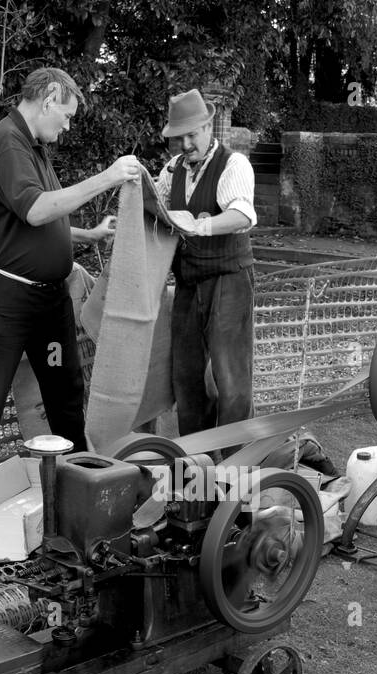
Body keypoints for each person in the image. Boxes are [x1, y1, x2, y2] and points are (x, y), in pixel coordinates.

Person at [0, 67, 141, 498]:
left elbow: (36, 222)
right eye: (65, 115)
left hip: (47, 302)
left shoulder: (34, 146)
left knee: (65, 388)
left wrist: (87, 235)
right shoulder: (7, 143)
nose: (67, 127)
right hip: (4, 299)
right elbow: (35, 210)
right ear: (48, 98)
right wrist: (107, 177)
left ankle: (78, 481)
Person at [154, 88, 257, 436]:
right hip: (187, 282)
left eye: (192, 134)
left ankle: (234, 464)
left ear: (208, 127)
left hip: (229, 279)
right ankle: (195, 464)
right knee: (187, 377)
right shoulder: (172, 170)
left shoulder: (233, 164)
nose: (185, 144)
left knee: (231, 379)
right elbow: (156, 206)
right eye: (179, 137)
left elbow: (242, 215)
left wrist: (199, 225)